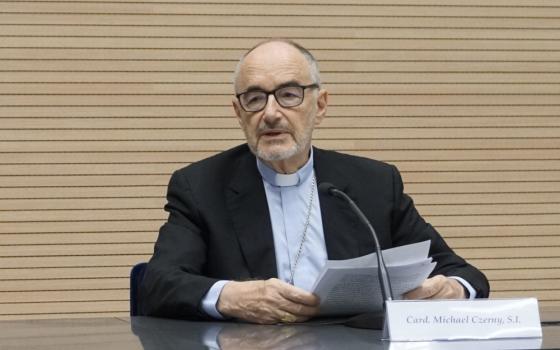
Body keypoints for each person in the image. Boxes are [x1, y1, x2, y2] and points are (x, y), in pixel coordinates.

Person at [139, 39, 489, 324]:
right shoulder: (201, 187)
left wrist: (451, 290)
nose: (271, 113)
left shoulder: (374, 184)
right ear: (238, 112)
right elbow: (157, 284)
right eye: (255, 98)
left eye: (289, 94)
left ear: (320, 105)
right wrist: (230, 296)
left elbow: (463, 273)